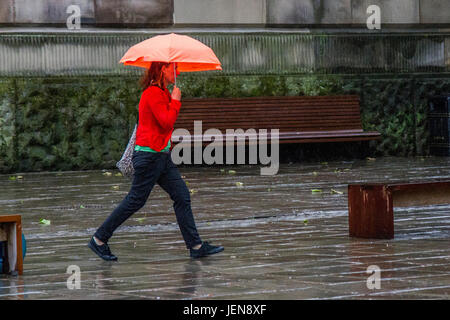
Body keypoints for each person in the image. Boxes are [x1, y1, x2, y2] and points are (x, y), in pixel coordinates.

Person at [88, 62, 224, 261]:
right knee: (136, 200)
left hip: (161, 155)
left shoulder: (162, 93)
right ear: (163, 69)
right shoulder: (152, 93)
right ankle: (99, 239)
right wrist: (176, 101)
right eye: (174, 68)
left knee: (182, 196)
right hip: (149, 156)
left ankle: (196, 246)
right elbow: (166, 121)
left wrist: (172, 98)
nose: (177, 72)